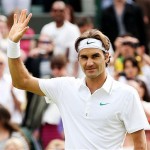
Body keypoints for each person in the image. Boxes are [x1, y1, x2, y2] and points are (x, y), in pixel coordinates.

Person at [7, 9, 149, 149]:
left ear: (106, 57)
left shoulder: (127, 94)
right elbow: (21, 81)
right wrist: (13, 45)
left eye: (95, 56)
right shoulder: (65, 87)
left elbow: (140, 145)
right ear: (78, 59)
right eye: (84, 57)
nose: (89, 63)